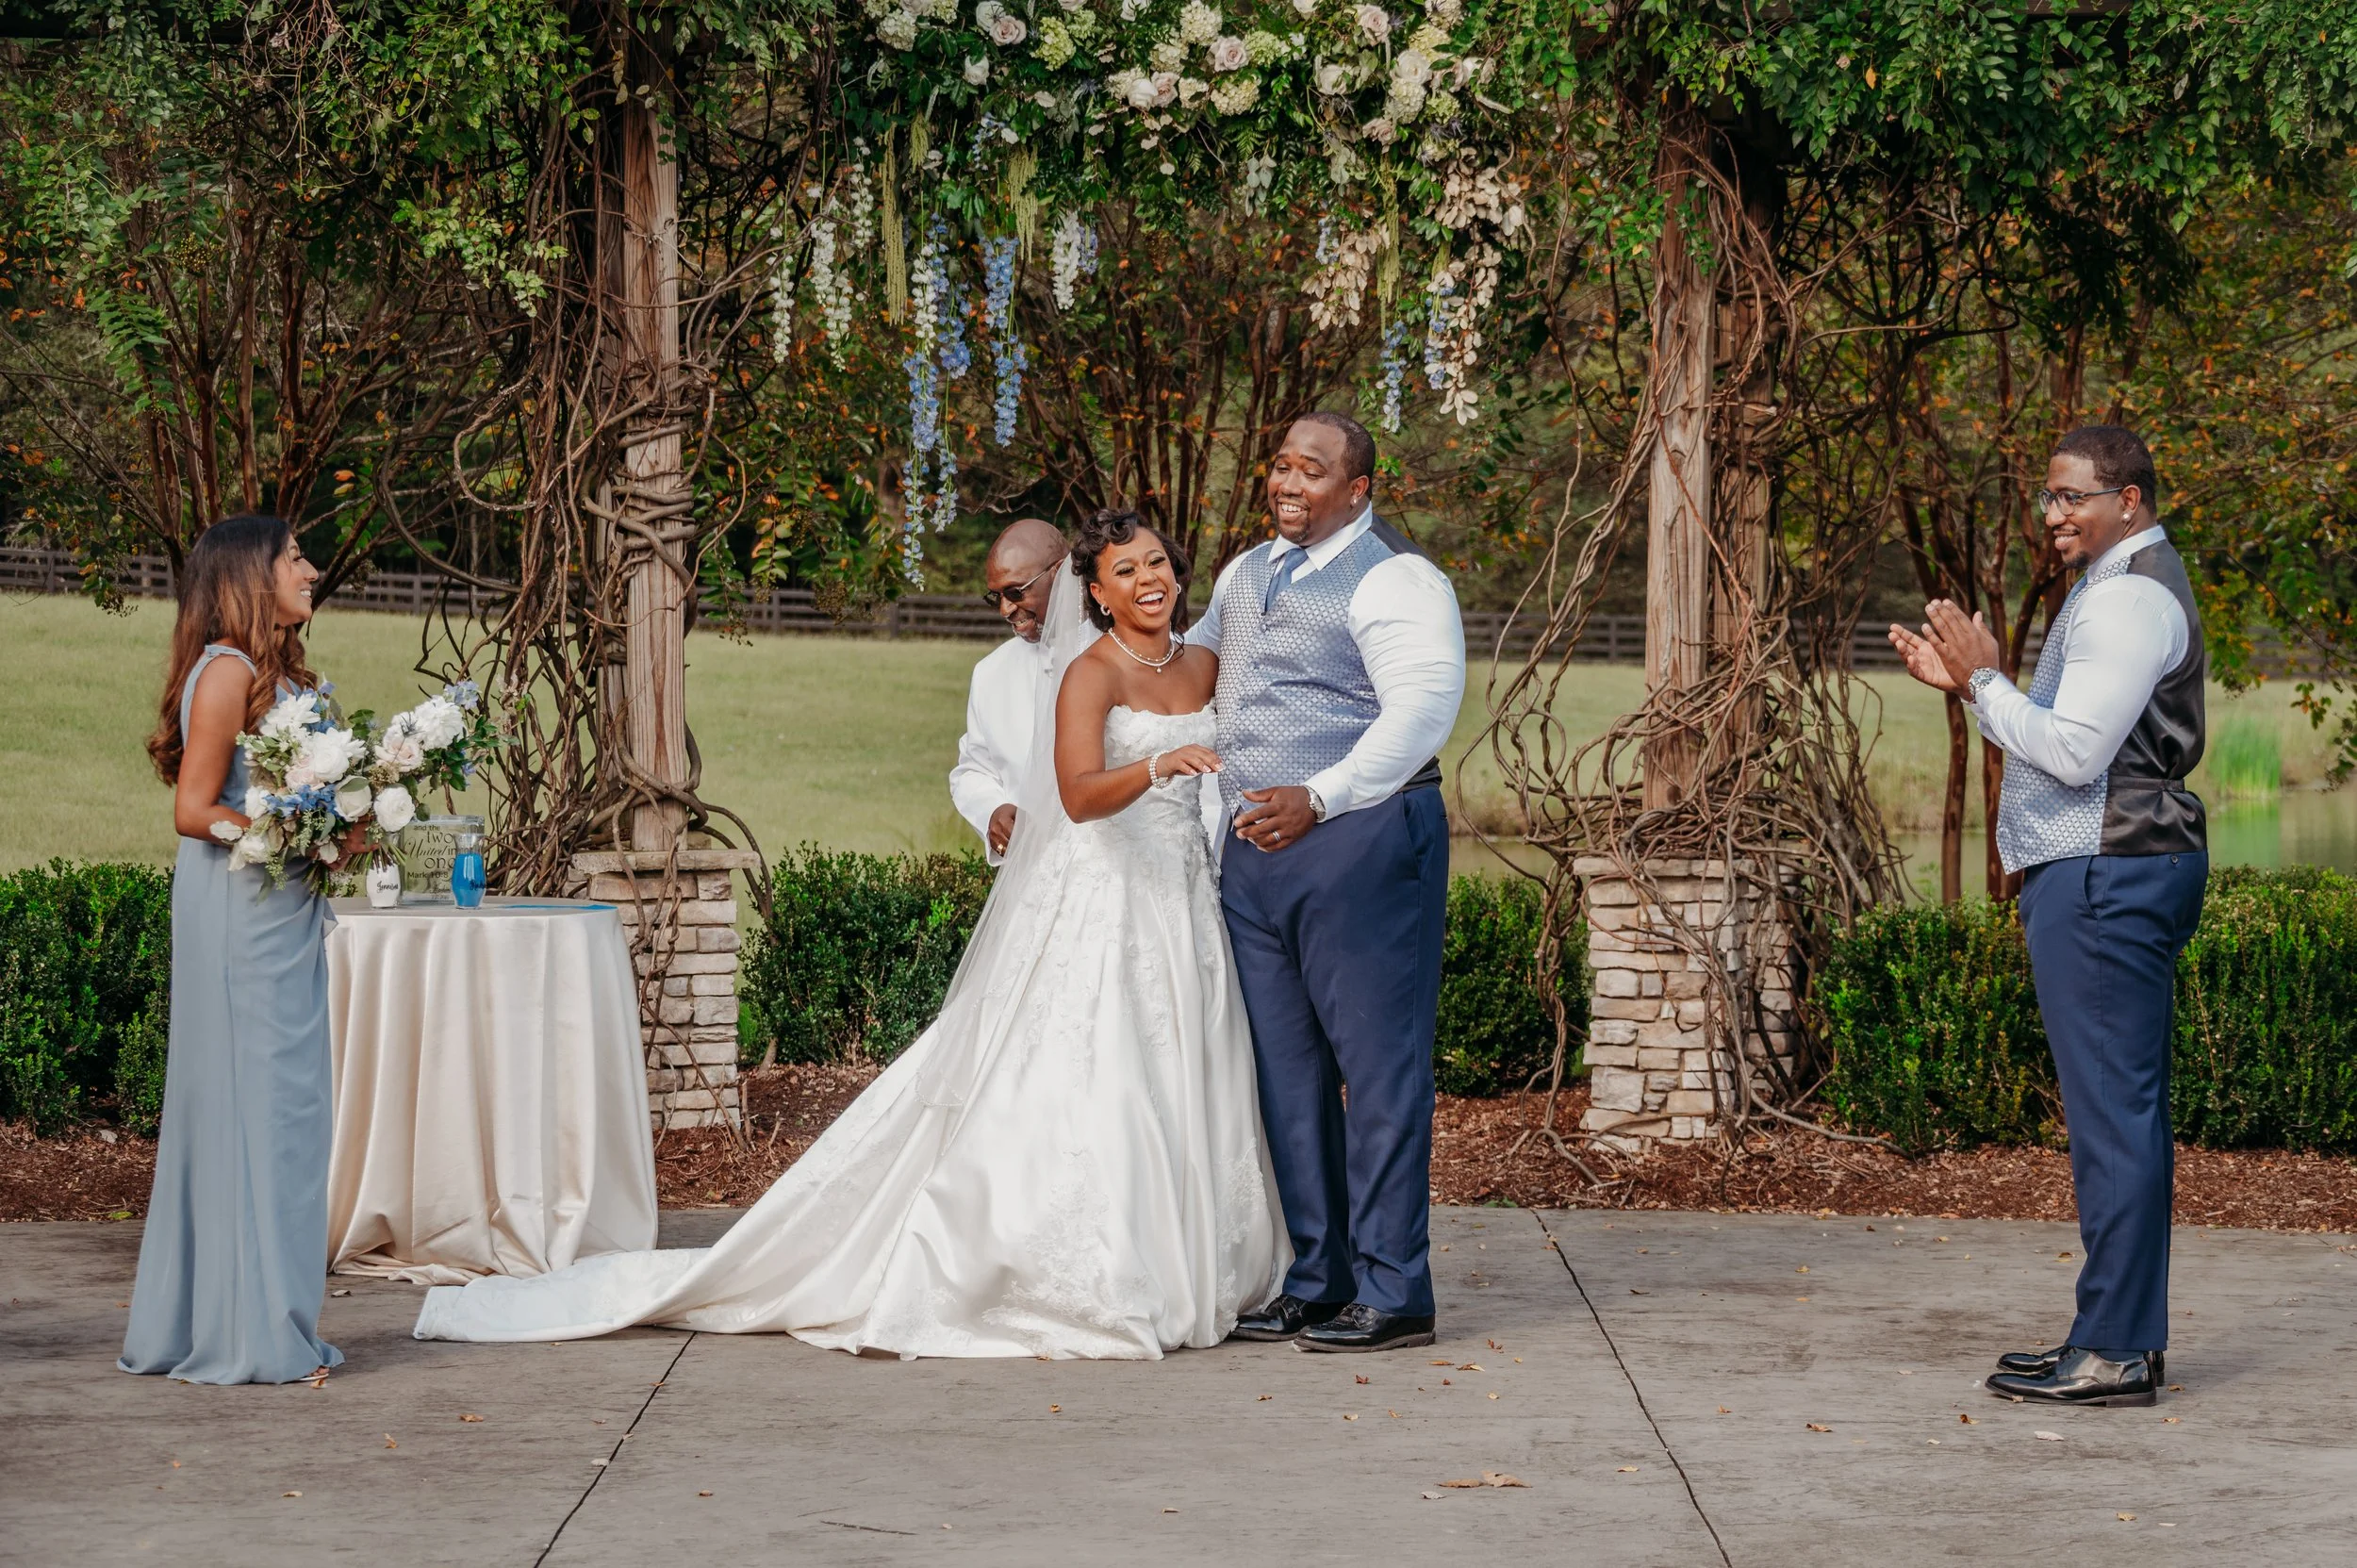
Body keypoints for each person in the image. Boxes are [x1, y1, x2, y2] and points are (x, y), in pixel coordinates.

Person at [414, 510, 1286, 1359]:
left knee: (1185, 1063)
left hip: (1184, 897)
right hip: (1105, 899)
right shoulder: (1089, 674)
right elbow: (1080, 795)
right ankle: (1101, 1265)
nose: (1148, 580)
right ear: (1094, 590)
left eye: (1156, 563)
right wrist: (1157, 763)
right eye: (1125, 570)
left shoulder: (1204, 663)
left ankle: (1195, 1257)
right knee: (1099, 1071)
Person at [1888, 424, 2206, 1408]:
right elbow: (2073, 739)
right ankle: (2113, 1334)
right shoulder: (2118, 587)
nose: (2055, 514)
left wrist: (1984, 681)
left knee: (2112, 1118)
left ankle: (2113, 1348)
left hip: (2109, 872)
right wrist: (1973, 687)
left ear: (2130, 500)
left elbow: (2072, 753)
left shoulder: (2128, 598)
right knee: (2117, 1114)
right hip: (2109, 866)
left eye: (2074, 496)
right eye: (2049, 497)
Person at [1192, 412, 1466, 1354]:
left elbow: (1421, 712)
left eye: (1311, 471)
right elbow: (1193, 671)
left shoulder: (1398, 578)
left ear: (1357, 489)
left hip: (1361, 840)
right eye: (1280, 466)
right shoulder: (1246, 572)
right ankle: (1319, 1278)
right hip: (1251, 854)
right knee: (1288, 1074)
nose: (1288, 483)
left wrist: (1319, 796)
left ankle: (1396, 1289)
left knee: (1379, 1069)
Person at [120, 515, 345, 1386]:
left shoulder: (282, 675)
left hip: (284, 913)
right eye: (294, 558)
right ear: (252, 575)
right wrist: (290, 833)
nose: (310, 570)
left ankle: (273, 1315)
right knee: (253, 1110)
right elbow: (193, 810)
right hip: (239, 918)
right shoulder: (225, 671)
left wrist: (341, 830)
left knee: (290, 1116)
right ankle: (238, 1329)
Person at [949, 518, 1067, 862]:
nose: (1005, 609)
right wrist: (992, 809)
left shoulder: (1123, 654)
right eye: (996, 597)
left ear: (1059, 573)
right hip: (1031, 870)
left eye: (1016, 592)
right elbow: (973, 768)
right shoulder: (990, 673)